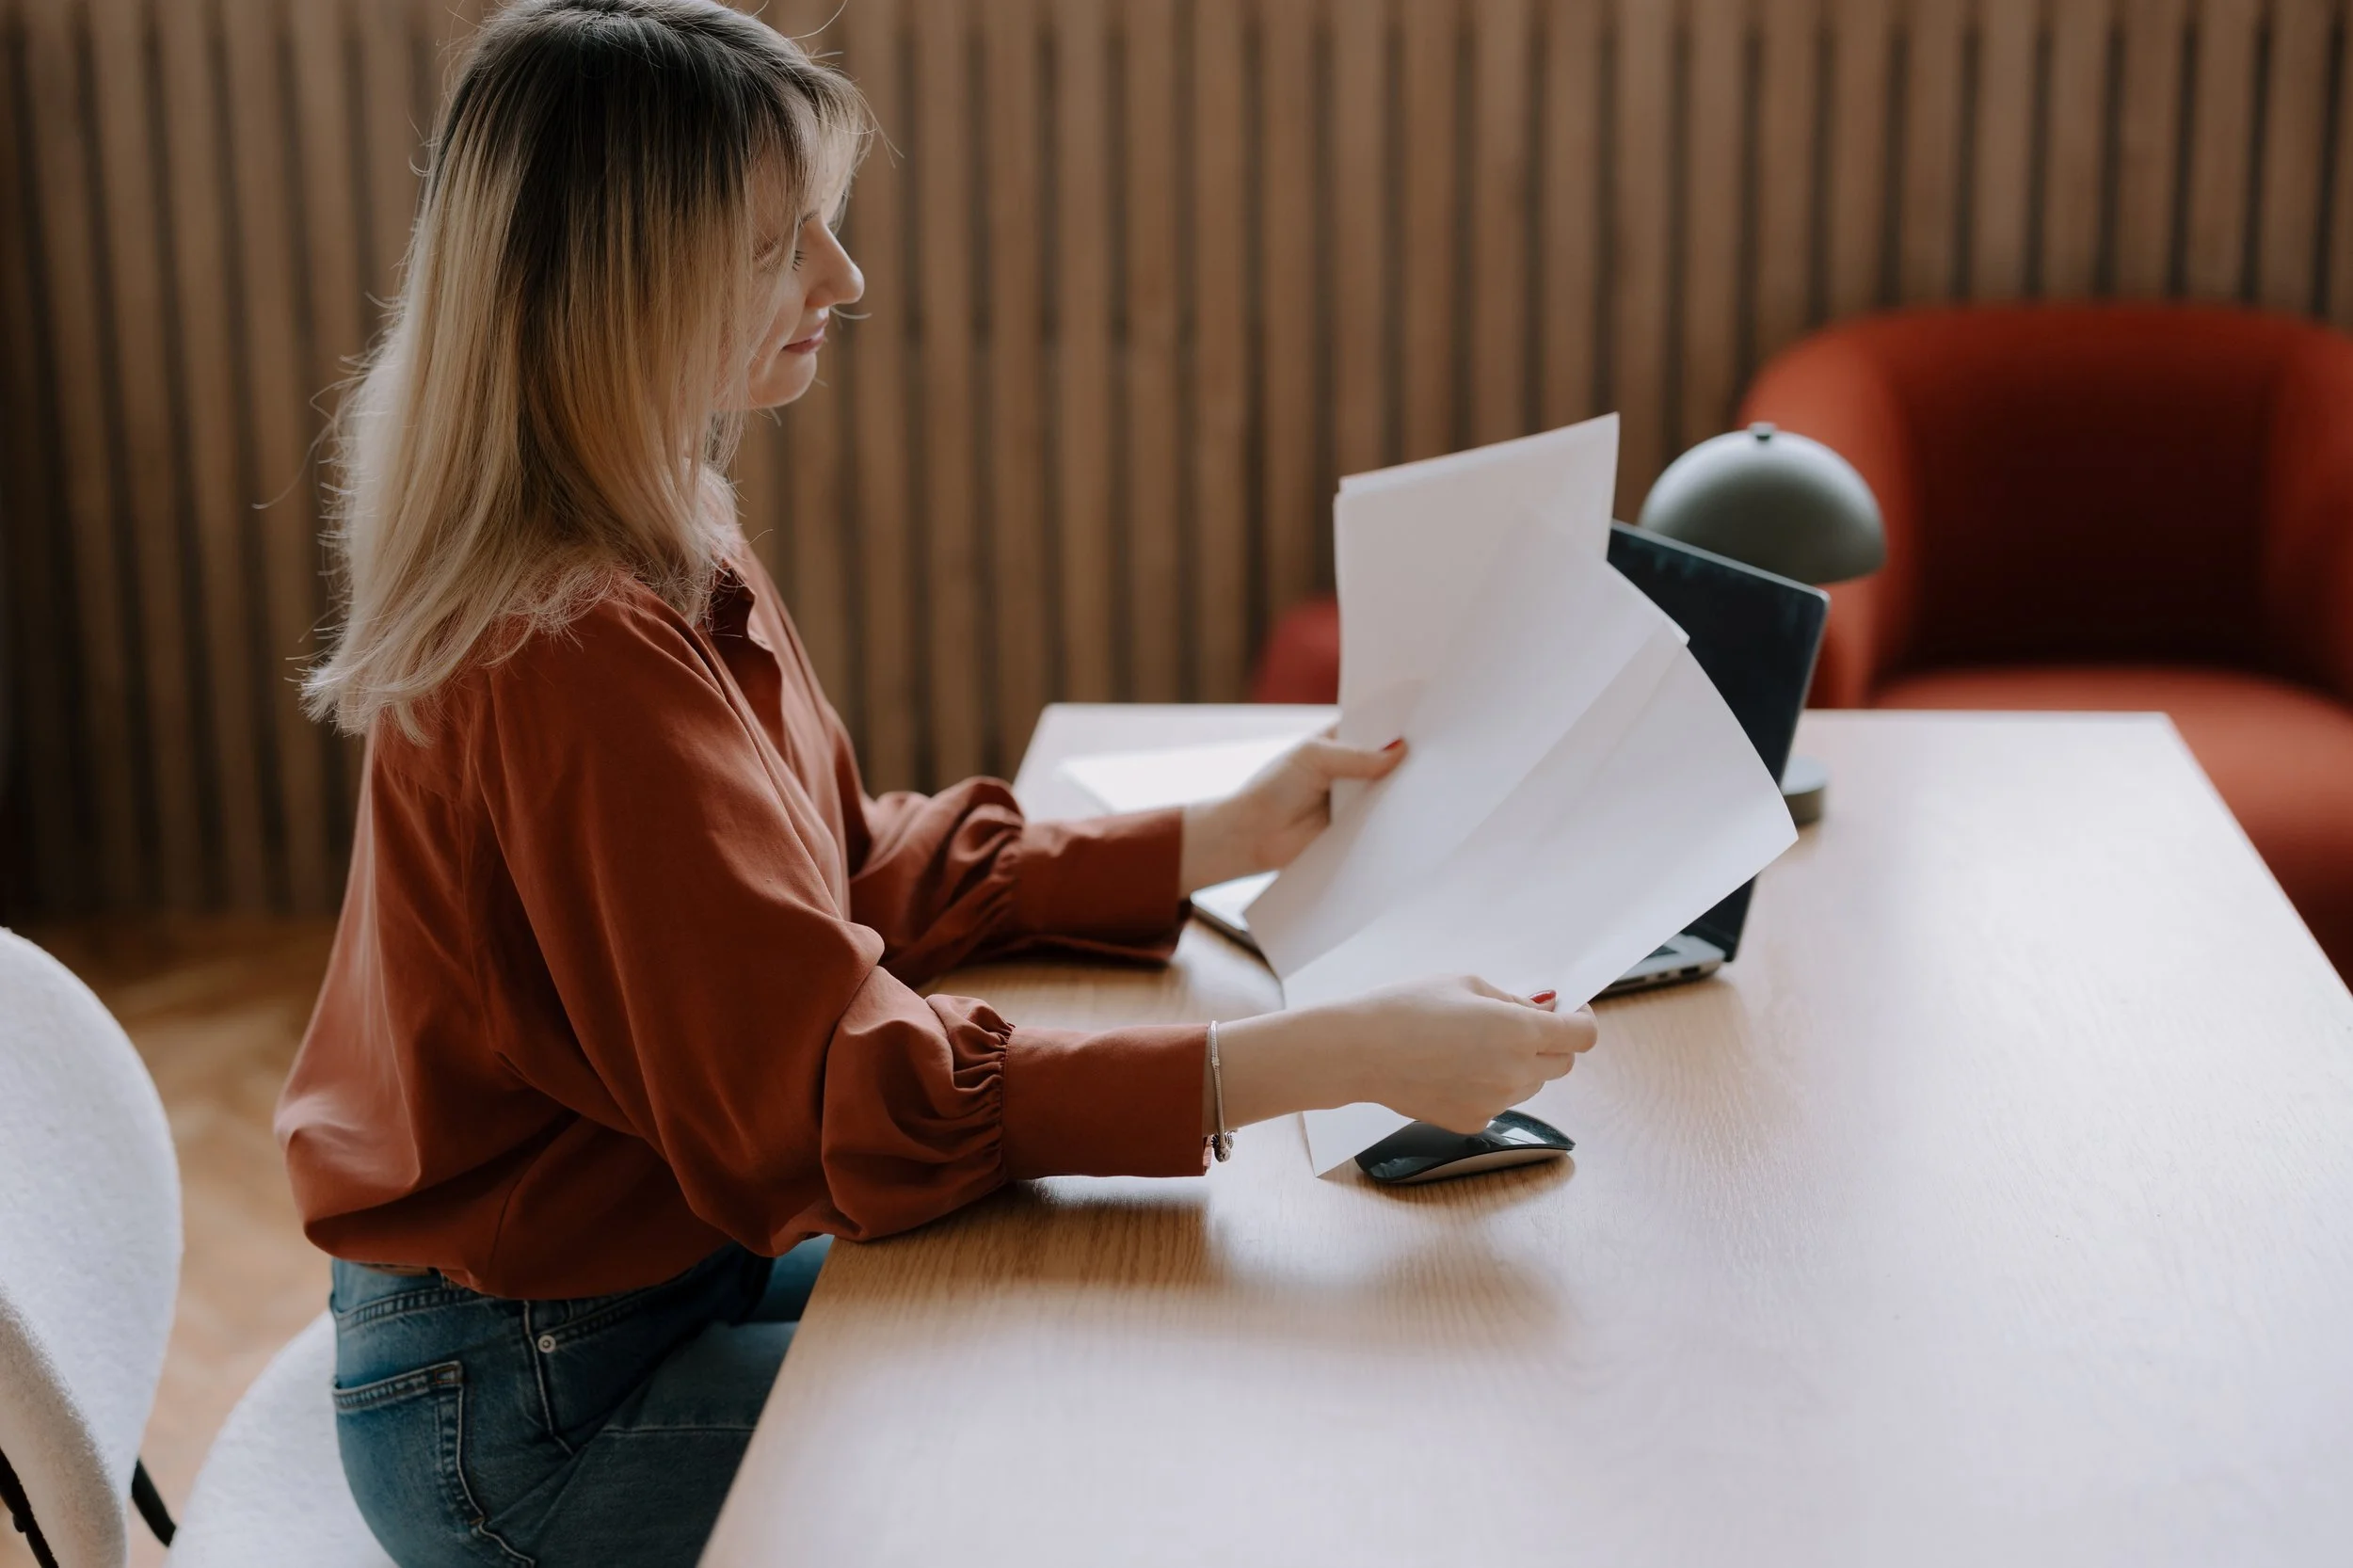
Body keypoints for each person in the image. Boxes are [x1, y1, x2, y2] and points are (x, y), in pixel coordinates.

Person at [276, 2, 1599, 1563]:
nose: (845, 280)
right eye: (784, 244)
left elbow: (825, 877)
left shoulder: (656, 523)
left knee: (1114, 1306)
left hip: (640, 1287)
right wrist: (1319, 1055)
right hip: (532, 1413)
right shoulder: (564, 651)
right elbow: (839, 1098)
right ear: (624, 288)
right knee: (1076, 1431)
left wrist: (1204, 837)